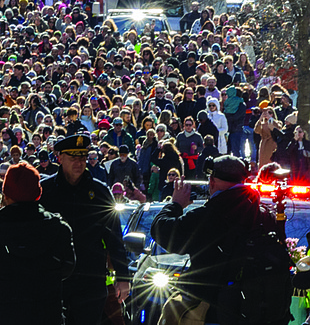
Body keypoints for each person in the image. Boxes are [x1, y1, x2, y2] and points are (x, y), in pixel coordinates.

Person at [151, 155, 292, 324]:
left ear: (211, 181)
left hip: (211, 310)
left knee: (172, 310)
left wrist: (175, 204)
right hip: (256, 311)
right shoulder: (263, 214)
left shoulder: (210, 215)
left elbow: (161, 231)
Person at [0, 162, 75, 325]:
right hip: (45, 316)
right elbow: (67, 268)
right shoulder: (59, 229)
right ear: (38, 193)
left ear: (5, 194)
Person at [38, 134, 130, 324]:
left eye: (82, 158)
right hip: (54, 278)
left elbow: (114, 236)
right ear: (60, 158)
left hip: (90, 279)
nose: (79, 163)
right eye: (73, 158)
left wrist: (122, 276)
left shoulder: (99, 191)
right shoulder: (45, 191)